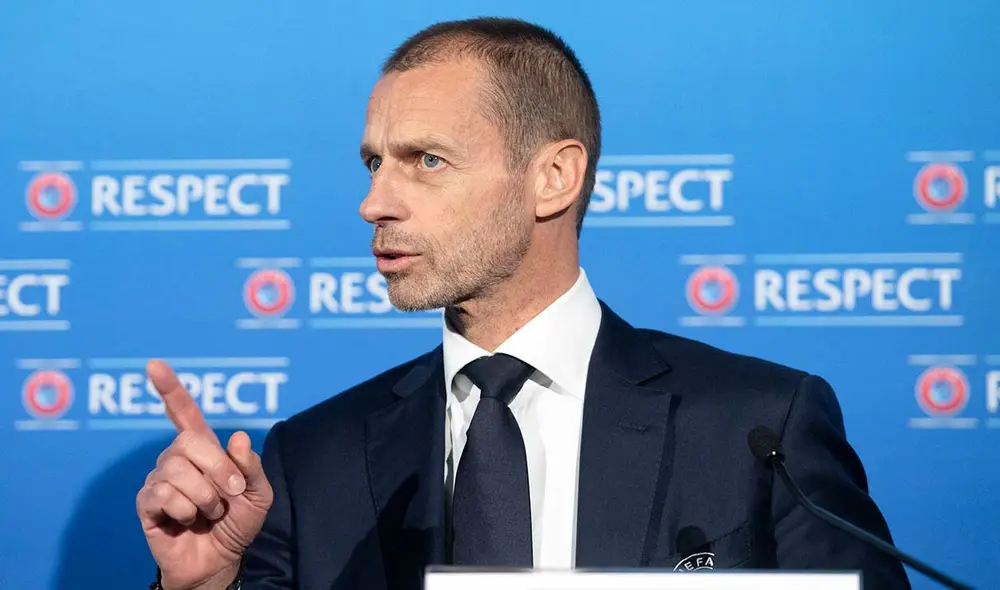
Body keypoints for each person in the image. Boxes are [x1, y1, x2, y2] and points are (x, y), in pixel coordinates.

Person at [136, 17, 912, 590]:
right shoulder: (311, 459)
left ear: (554, 179)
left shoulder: (757, 423)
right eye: (374, 162)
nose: (374, 201)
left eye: (426, 161)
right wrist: (202, 587)